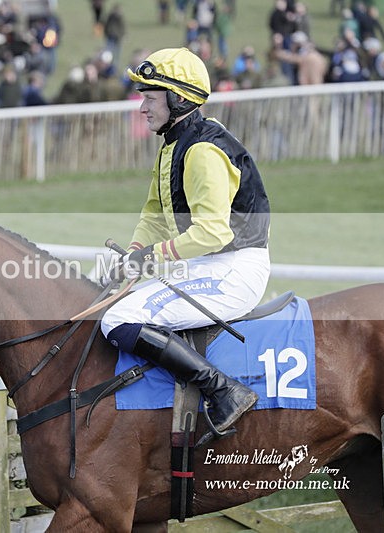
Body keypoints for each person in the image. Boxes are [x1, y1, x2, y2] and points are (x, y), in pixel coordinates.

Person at [101, 48, 270, 434]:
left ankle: (223, 390)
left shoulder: (202, 151)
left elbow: (213, 232)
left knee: (118, 319)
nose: (142, 107)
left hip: (235, 268)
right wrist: (134, 253)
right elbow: (154, 214)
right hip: (210, 263)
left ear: (178, 99)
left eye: (150, 97)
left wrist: (152, 256)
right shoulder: (173, 143)